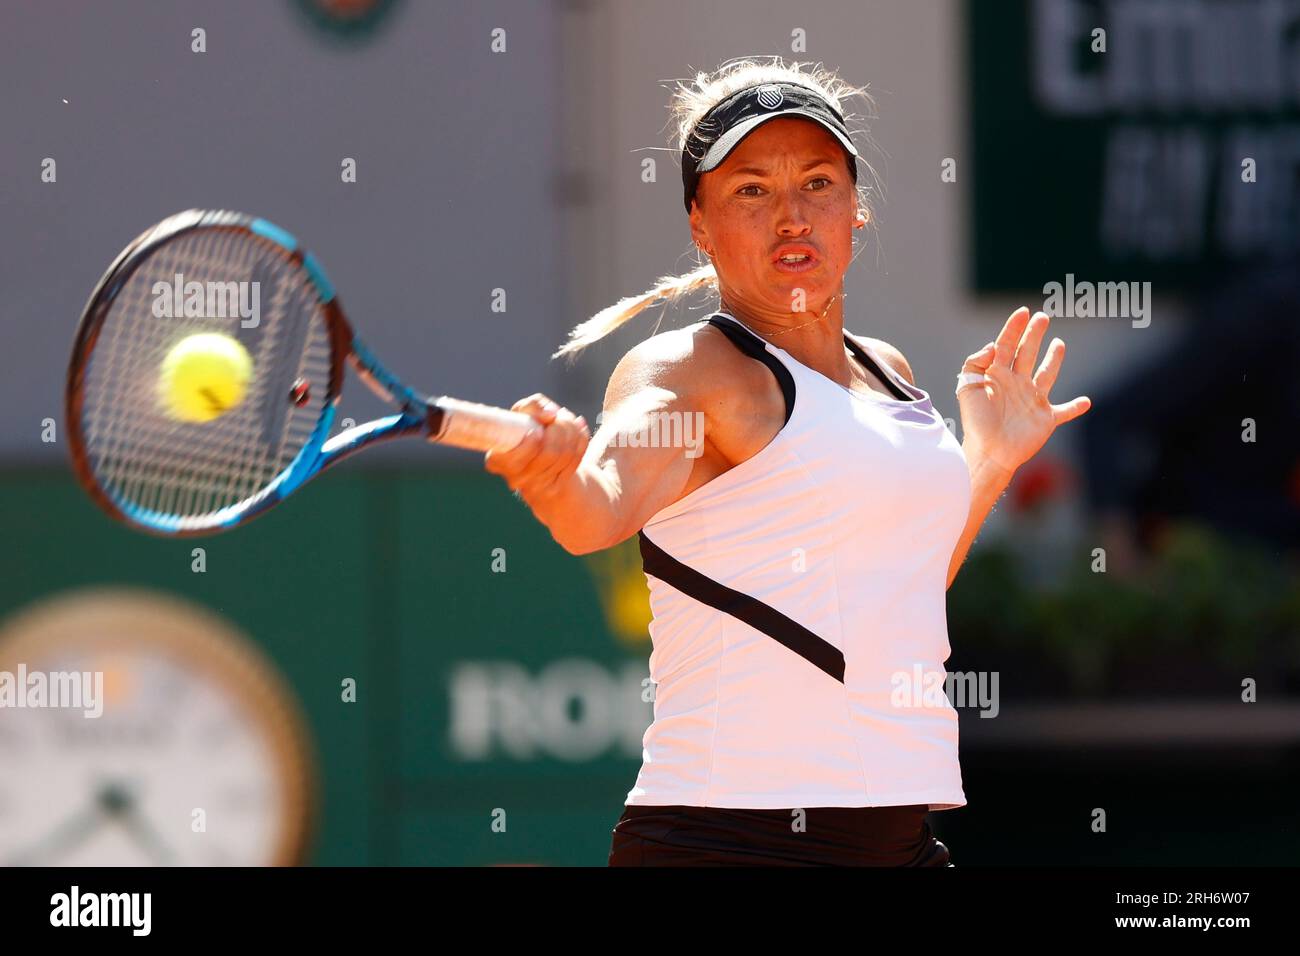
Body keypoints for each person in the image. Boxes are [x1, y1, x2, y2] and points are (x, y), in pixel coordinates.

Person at [484, 57, 1091, 866]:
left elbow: (897, 589)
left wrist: (991, 461)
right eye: (751, 191)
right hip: (729, 840)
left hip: (898, 841)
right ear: (699, 223)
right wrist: (555, 475)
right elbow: (595, 509)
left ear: (855, 209)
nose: (792, 216)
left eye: (816, 183)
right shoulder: (688, 372)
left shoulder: (890, 371)